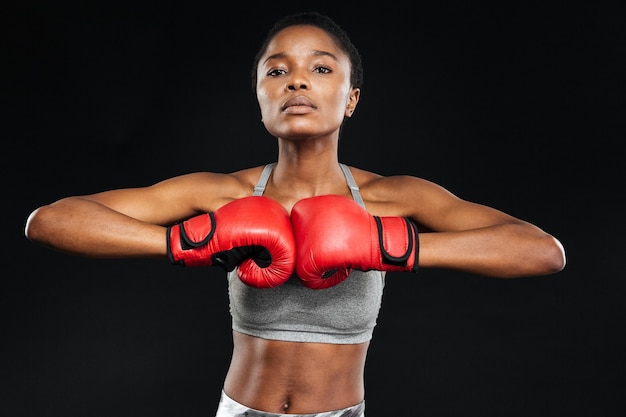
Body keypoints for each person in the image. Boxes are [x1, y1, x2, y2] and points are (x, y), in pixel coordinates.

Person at [24, 11, 566, 417]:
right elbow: (50, 220)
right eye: (276, 70)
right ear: (259, 96)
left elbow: (542, 251)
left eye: (321, 68)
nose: (297, 81)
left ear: (350, 99)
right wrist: (185, 240)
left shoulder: (393, 198)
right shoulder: (224, 195)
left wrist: (388, 244)